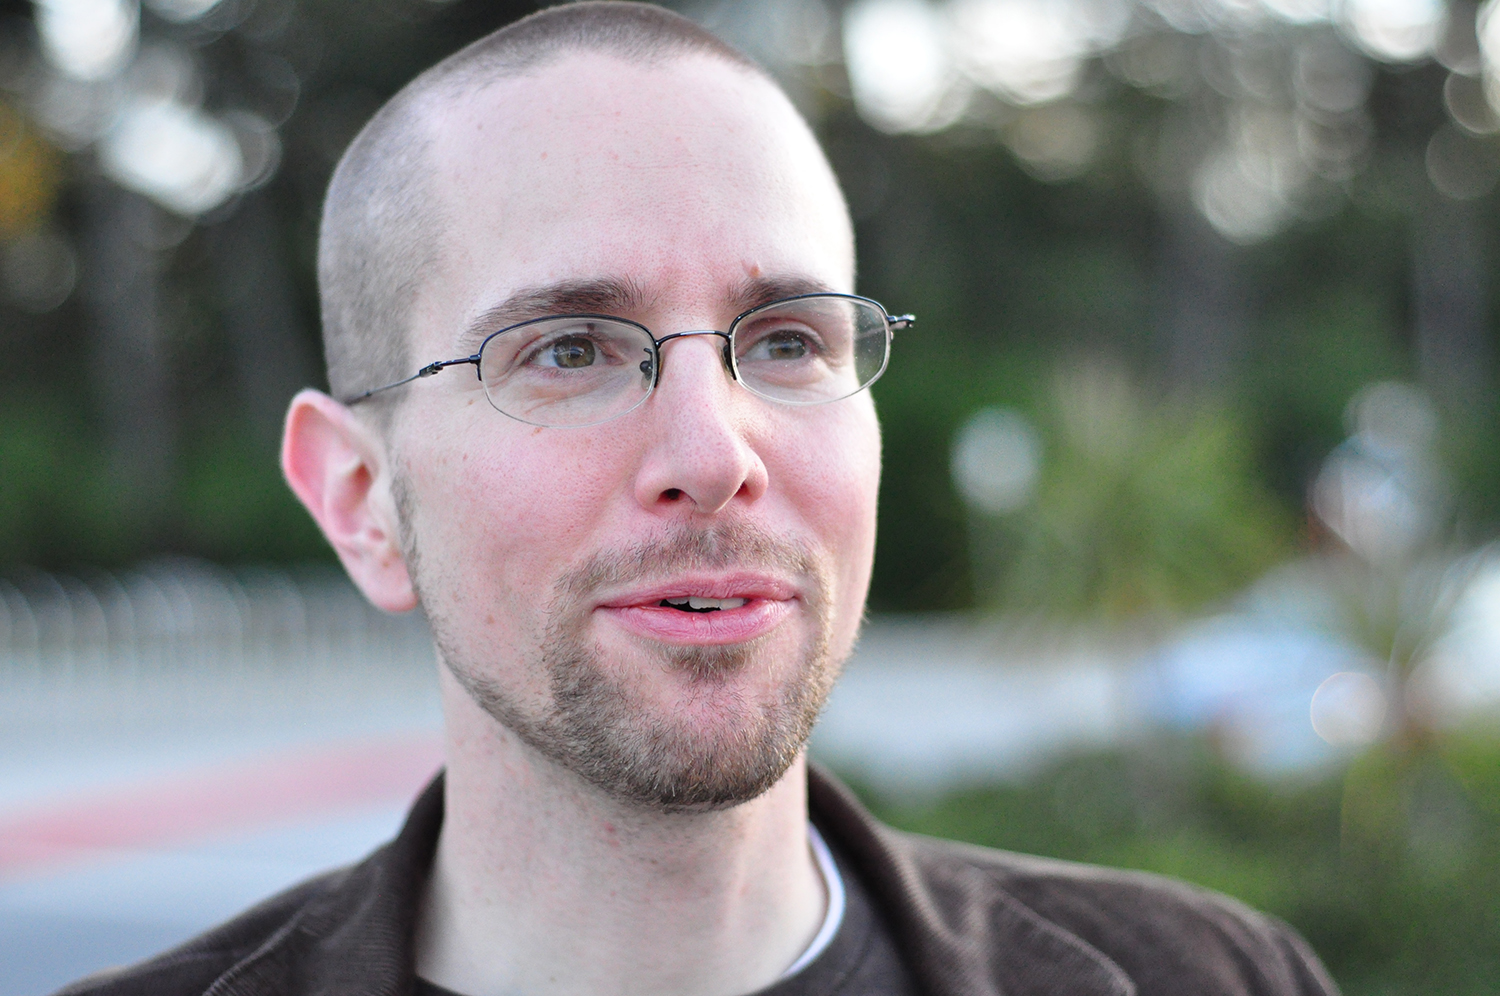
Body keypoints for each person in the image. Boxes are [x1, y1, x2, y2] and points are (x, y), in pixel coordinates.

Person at [59, 4, 1338, 995]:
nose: (714, 450)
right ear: (358, 499)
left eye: (786, 340)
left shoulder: (1215, 977)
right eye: (568, 350)